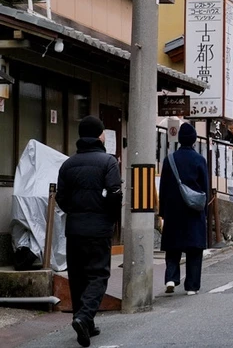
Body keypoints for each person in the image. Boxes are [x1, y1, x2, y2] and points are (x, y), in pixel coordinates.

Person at [56, 115, 122, 347]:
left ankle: (84, 322)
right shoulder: (108, 162)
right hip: (98, 228)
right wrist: (110, 218)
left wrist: (75, 213)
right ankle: (84, 317)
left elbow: (61, 198)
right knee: (98, 275)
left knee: (78, 276)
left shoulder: (68, 164)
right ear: (100, 135)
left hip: (74, 229)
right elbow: (115, 193)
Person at [160, 123, 210, 295]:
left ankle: (171, 279)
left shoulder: (170, 159)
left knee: (173, 246)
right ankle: (192, 286)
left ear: (179, 139)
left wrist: (162, 212)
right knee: (194, 249)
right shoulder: (199, 160)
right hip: (194, 209)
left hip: (173, 210)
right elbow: (205, 188)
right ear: (194, 140)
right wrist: (205, 213)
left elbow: (164, 188)